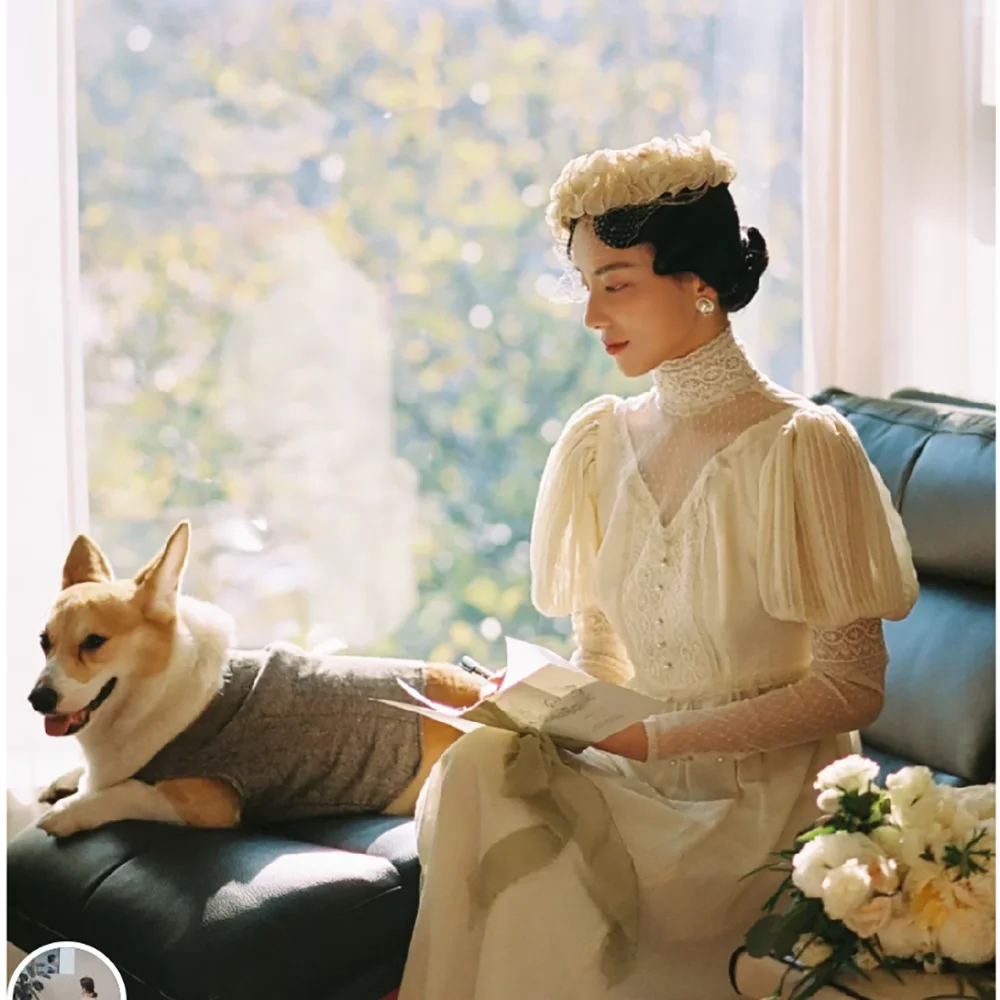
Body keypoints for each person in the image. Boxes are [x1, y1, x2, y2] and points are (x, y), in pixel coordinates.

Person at [397, 133, 918, 1000]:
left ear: (700, 284)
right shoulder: (600, 441)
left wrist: (654, 736)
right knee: (483, 766)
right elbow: (603, 657)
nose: (594, 319)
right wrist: (543, 704)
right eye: (586, 289)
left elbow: (853, 688)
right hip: (638, 782)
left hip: (755, 814)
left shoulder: (802, 447)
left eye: (618, 286)